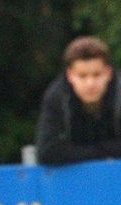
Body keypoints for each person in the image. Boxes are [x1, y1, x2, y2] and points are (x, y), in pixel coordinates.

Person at [36, 35, 121, 165]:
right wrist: (105, 152)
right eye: (82, 76)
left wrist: (79, 151)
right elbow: (47, 151)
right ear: (70, 75)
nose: (90, 84)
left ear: (108, 73)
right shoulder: (57, 97)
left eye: (97, 75)